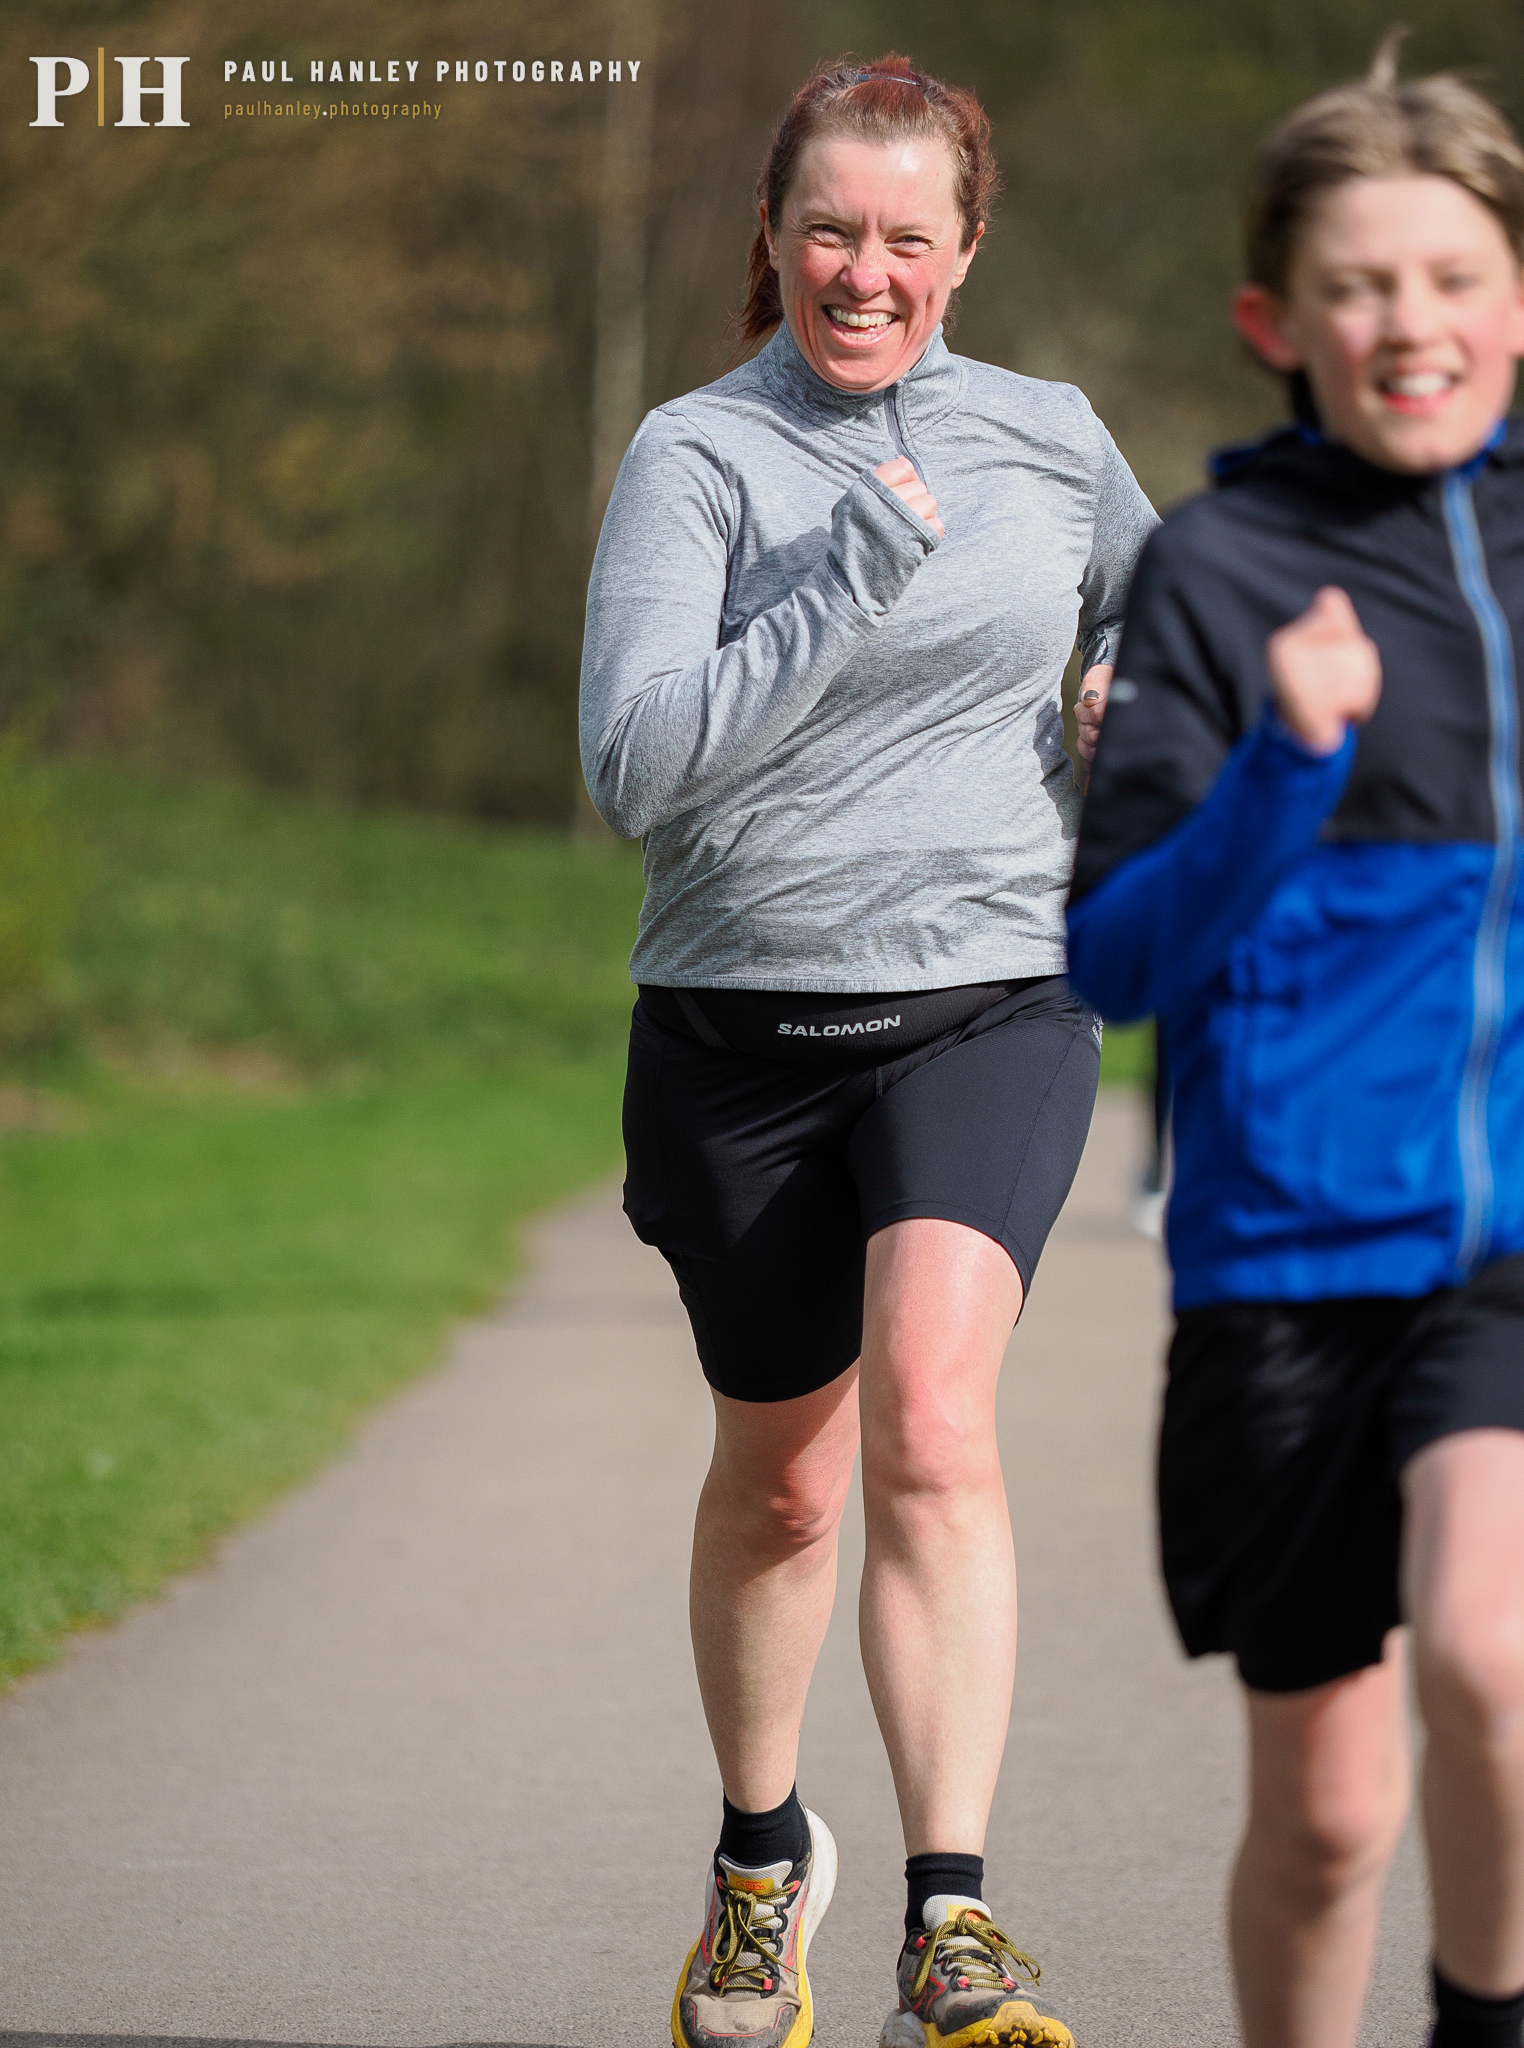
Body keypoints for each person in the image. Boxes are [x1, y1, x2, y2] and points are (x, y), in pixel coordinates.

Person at [580, 51, 1154, 2048]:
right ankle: (761, 1863)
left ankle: (952, 1918)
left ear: (966, 251)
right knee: (791, 1484)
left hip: (991, 996)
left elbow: (1179, 634)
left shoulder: (1053, 437)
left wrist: (1129, 701)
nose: (865, 268)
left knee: (929, 1420)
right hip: (740, 1025)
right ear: (772, 232)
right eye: (830, 226)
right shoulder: (697, 458)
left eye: (910, 235)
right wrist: (842, 576)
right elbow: (634, 766)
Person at [1067, 39, 1524, 2048]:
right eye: (1359, 285)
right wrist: (1283, 763)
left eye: (1450, 276)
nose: (1409, 324)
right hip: (1285, 1253)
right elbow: (1114, 958)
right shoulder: (1218, 573)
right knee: (1332, 1816)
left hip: (1504, 1254)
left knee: (1498, 1668)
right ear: (1278, 320)